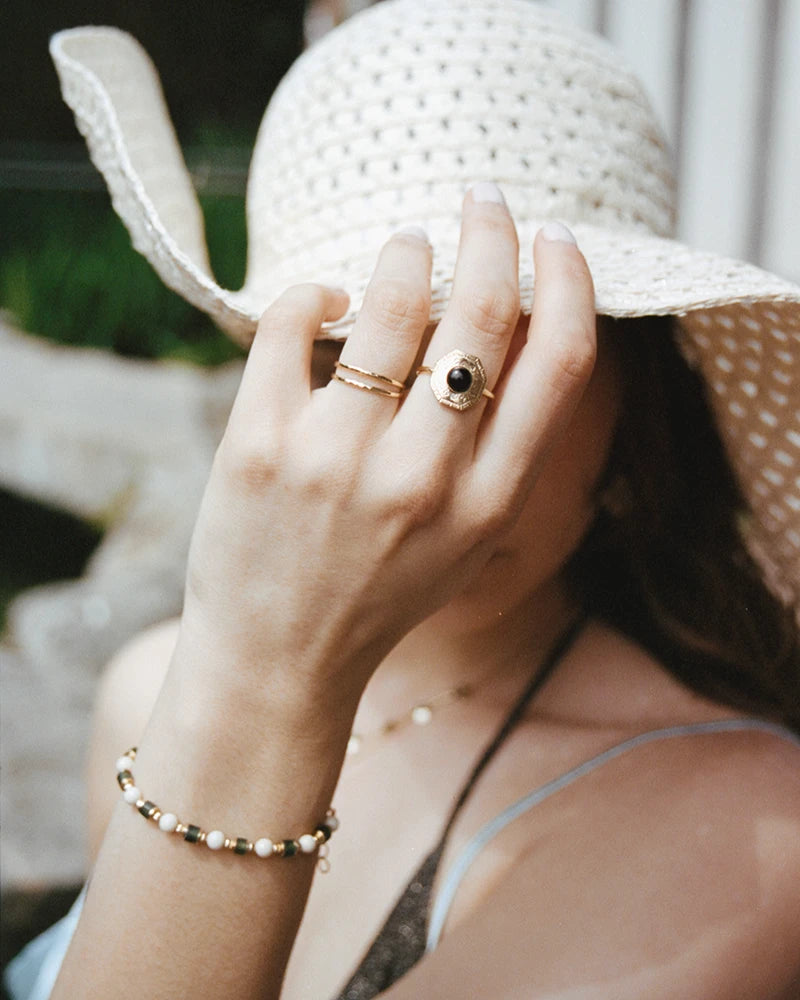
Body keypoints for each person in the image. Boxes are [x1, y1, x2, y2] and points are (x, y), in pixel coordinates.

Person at [7, 1, 800, 997]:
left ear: (631, 407)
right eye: (360, 352)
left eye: (491, 356)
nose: (425, 451)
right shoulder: (150, 687)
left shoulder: (736, 832)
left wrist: (272, 683)